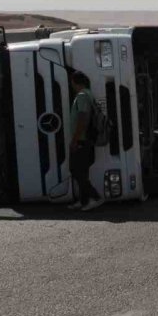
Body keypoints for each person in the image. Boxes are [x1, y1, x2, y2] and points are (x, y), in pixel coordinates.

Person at [68, 71, 103, 211]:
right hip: (86, 139)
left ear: (76, 82)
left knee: (76, 170)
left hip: (82, 140)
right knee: (82, 171)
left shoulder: (82, 96)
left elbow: (83, 118)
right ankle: (83, 200)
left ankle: (96, 197)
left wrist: (75, 140)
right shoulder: (89, 94)